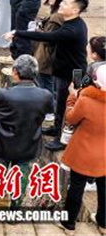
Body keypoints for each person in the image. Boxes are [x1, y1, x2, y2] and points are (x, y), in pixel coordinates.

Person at [5, 0, 89, 151]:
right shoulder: (70, 22)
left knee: (68, 105)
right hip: (63, 69)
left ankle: (62, 139)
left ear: (75, 10)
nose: (61, 5)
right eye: (63, 1)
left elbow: (48, 37)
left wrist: (17, 33)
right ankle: (56, 128)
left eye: (65, 3)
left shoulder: (72, 30)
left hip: (74, 74)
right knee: (60, 102)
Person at [0, 55, 53, 209]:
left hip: (1, 144)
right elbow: (48, 110)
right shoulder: (45, 95)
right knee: (20, 179)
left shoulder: (3, 94)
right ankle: (15, 209)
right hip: (28, 146)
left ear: (15, 72)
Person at [59, 65, 106, 235]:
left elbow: (71, 118)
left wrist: (72, 97)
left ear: (96, 82)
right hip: (104, 154)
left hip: (83, 152)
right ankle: (103, 223)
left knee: (76, 186)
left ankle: (69, 224)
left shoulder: (85, 101)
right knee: (104, 188)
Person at [21, 0, 69, 113]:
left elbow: (50, 39)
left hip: (46, 57)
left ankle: (50, 111)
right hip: (46, 55)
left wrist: (37, 30)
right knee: (47, 84)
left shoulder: (56, 17)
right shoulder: (55, 14)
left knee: (46, 85)